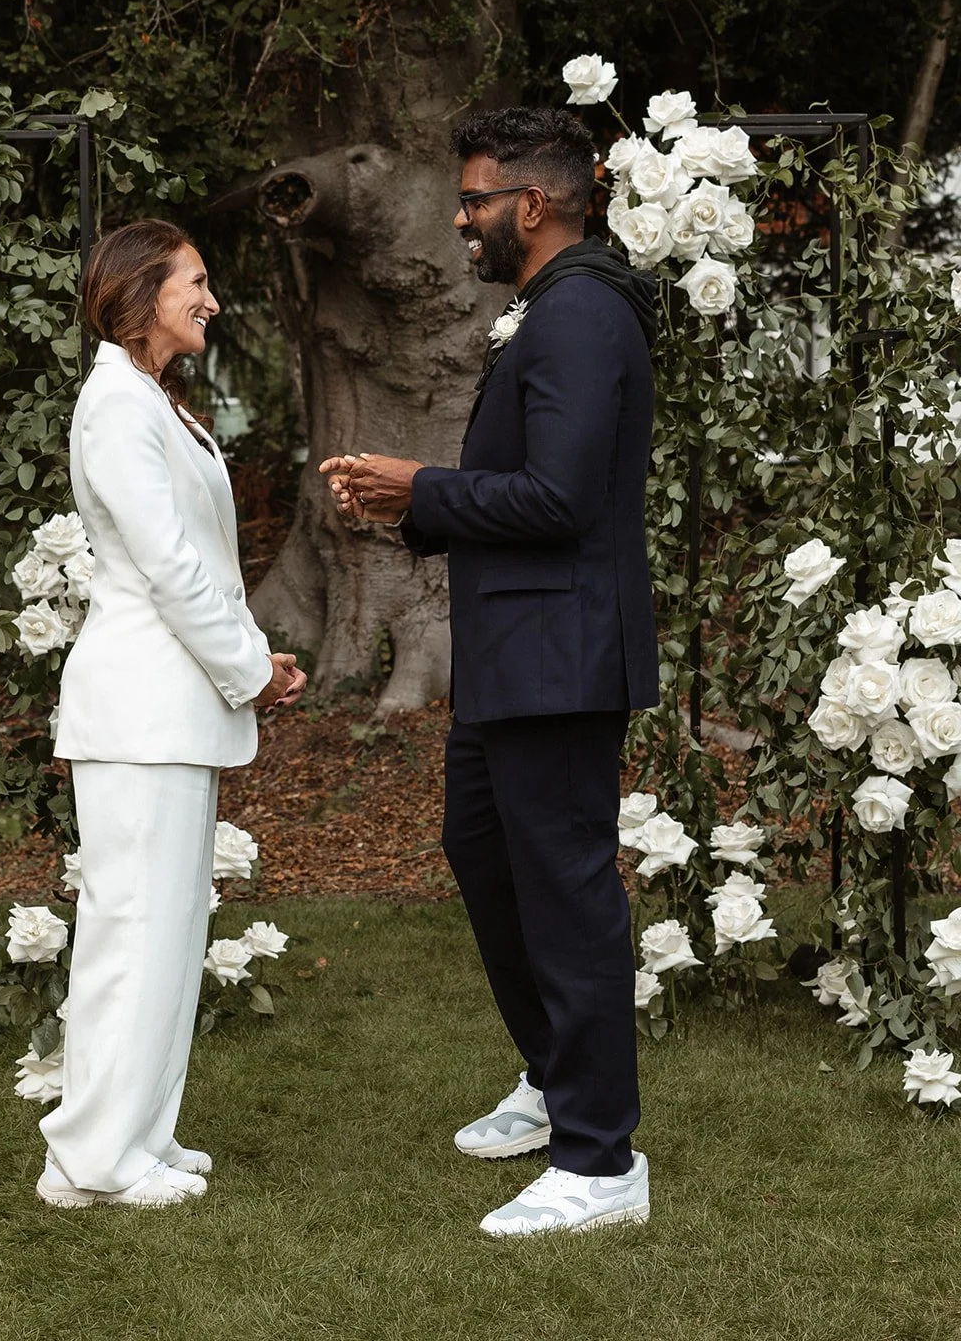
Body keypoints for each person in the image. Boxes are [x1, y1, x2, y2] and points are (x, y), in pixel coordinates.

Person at [320, 107, 658, 1237]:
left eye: (475, 200)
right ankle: (556, 1077)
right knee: (483, 851)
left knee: (566, 893)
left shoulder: (581, 313)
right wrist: (411, 503)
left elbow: (561, 498)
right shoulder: (550, 307)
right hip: (516, 653)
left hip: (561, 656)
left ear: (536, 202)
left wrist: (419, 487)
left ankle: (600, 1162)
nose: (462, 219)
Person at [38, 218, 305, 1210]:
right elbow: (169, 568)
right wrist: (251, 670)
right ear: (143, 290)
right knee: (133, 936)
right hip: (140, 711)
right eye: (195, 281)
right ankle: (94, 1159)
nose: (212, 300)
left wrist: (252, 657)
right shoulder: (116, 404)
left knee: (165, 934)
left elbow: (199, 567)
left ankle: (136, 1138)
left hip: (169, 706)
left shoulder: (152, 399)